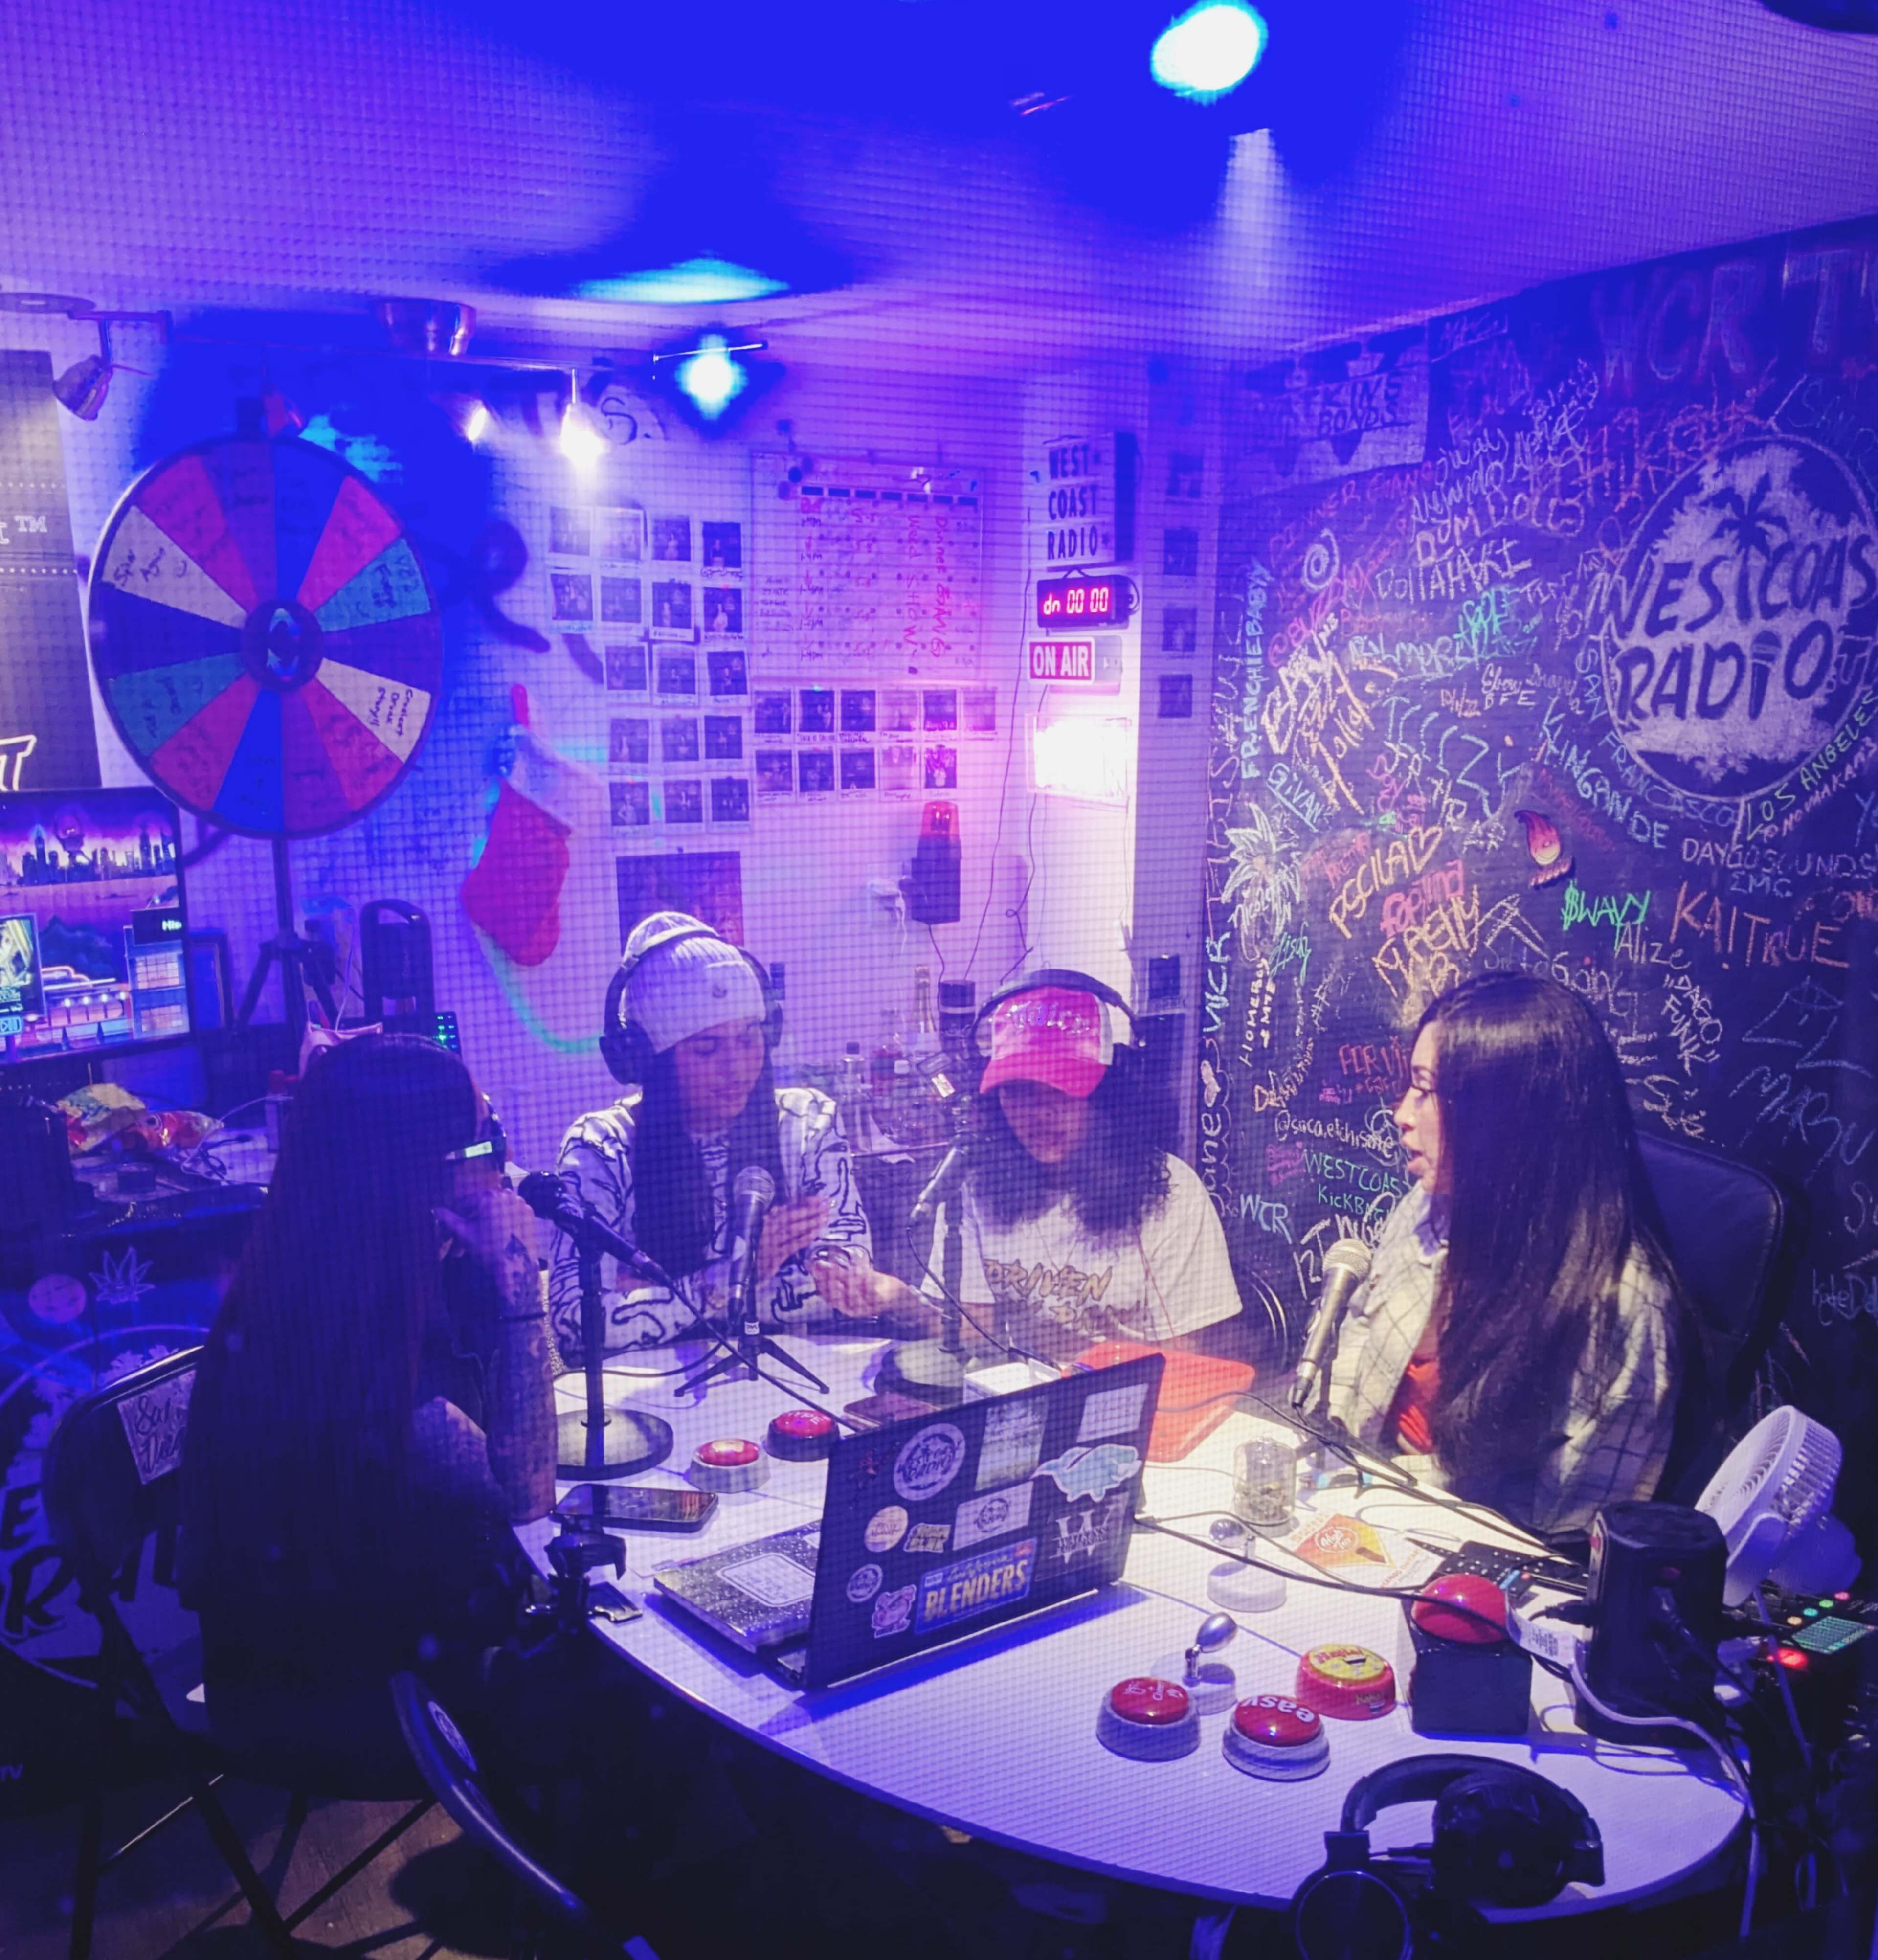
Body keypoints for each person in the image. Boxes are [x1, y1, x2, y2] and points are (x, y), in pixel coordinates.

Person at [179, 1033, 556, 1777]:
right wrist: (520, 1280)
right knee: (633, 1691)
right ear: (410, 1178)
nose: (500, 1170)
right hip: (347, 1690)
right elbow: (527, 1487)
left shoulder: (338, 1275)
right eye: (479, 1146)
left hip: (384, 1633)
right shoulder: (333, 1337)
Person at [1319, 971, 1687, 1539]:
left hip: (1474, 1559)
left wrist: (1383, 1488)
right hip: (1361, 1502)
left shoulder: (1621, 1304)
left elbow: (1567, 1522)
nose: (1401, 1113)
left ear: (1504, 1118)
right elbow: (1361, 1330)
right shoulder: (1429, 1202)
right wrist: (1332, 1449)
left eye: (1425, 1089)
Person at [814, 970, 1242, 1362]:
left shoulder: (1172, 1196)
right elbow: (972, 1331)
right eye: (1018, 1092)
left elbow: (1184, 1366)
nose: (1039, 1114)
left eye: (1061, 1090)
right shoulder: (977, 1181)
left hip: (1134, 1417)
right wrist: (896, 1296)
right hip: (1018, 1407)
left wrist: (1054, 1349)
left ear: (1108, 1095)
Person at [551, 912, 870, 1356]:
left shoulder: (807, 1121)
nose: (736, 1067)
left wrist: (649, 1295)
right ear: (649, 1062)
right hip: (656, 1403)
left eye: (748, 1038)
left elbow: (847, 1285)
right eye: (707, 1048)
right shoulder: (600, 1149)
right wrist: (730, 1278)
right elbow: (577, 1322)